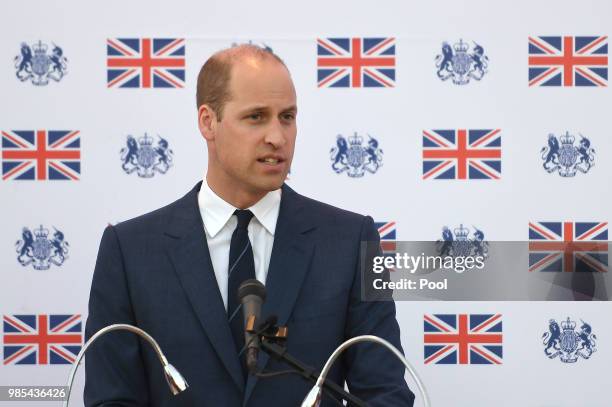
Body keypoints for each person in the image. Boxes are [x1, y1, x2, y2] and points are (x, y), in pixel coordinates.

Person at [84, 44, 415, 407]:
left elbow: (386, 395)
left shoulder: (351, 243)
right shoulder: (130, 251)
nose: (278, 136)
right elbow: (110, 398)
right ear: (208, 122)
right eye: (257, 117)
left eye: (287, 117)